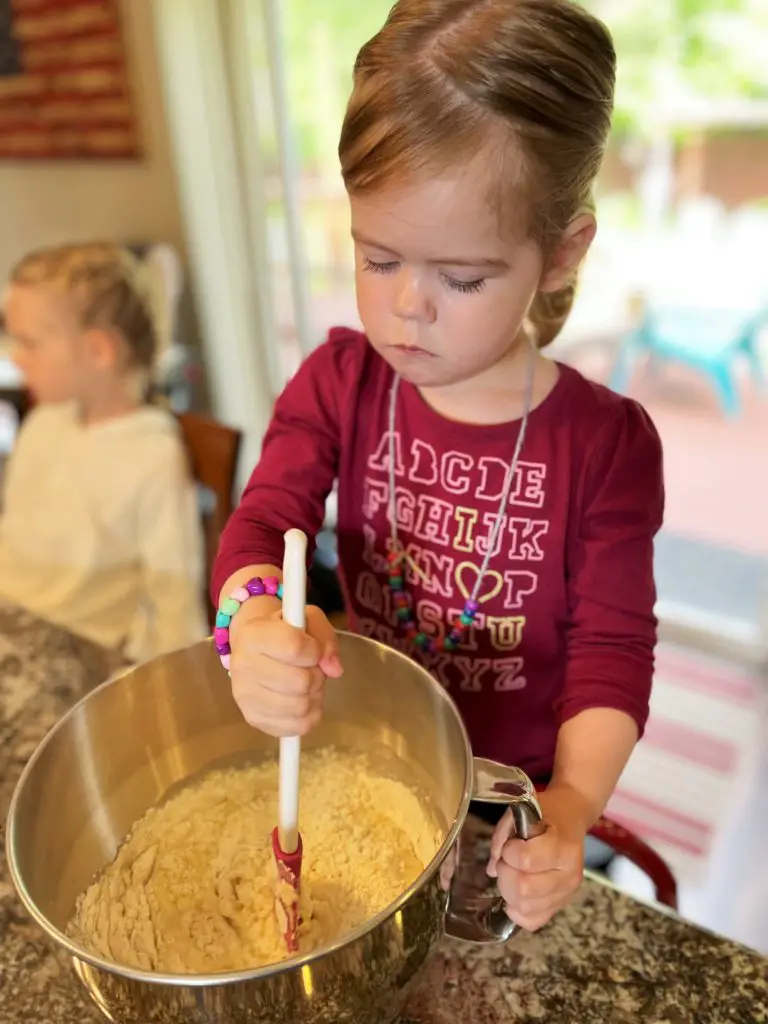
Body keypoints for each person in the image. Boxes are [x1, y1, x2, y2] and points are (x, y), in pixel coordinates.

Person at [212, 0, 664, 933]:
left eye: (462, 279)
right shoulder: (340, 382)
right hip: (366, 752)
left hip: (508, 798)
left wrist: (572, 810)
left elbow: (611, 656)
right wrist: (250, 621)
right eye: (377, 259)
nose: (408, 309)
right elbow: (262, 526)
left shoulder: (606, 445)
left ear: (559, 253)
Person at [0, 242, 208, 662]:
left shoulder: (152, 455)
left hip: (72, 655)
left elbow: (175, 595)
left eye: (29, 342)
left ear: (98, 350)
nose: (15, 359)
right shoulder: (43, 424)